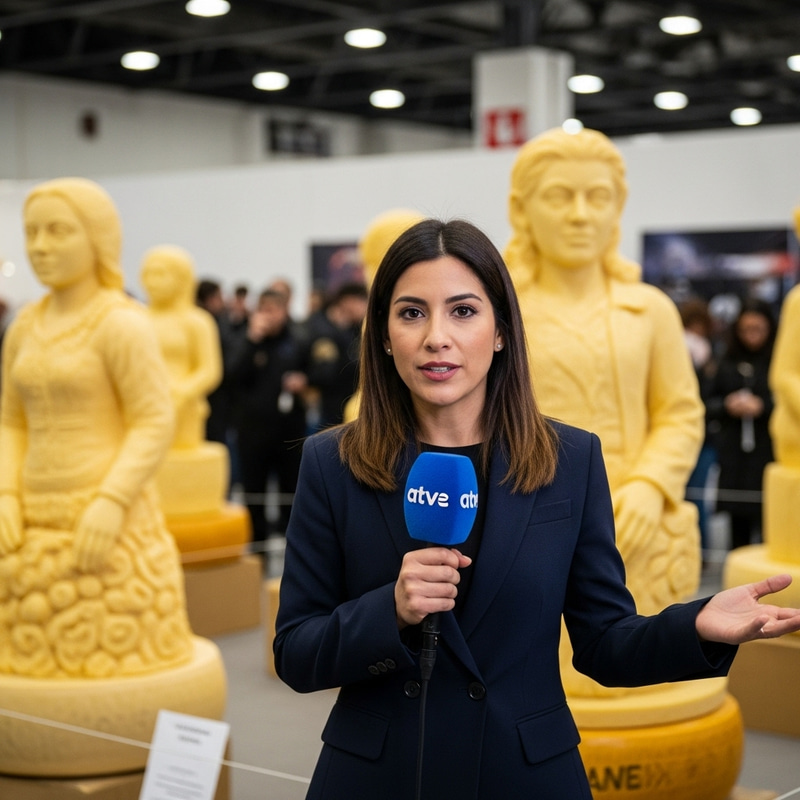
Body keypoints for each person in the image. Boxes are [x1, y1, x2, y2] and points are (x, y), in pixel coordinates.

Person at [274, 218, 800, 800]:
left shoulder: (569, 459)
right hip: (380, 775)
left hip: (522, 772)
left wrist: (695, 624)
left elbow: (604, 644)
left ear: (501, 330)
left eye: (464, 311)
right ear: (382, 335)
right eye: (412, 312)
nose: (436, 337)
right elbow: (297, 652)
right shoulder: (333, 462)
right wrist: (390, 611)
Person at [504, 128, 704, 621]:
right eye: (558, 196)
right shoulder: (500, 313)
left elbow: (679, 414)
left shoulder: (650, 310)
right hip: (521, 517)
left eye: (597, 197)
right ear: (520, 208)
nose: (579, 214)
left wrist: (650, 485)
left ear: (618, 205)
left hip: (632, 520)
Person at [0, 177, 193, 677]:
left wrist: (111, 500)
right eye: (32, 232)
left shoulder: (121, 323)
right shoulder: (23, 325)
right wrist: (5, 492)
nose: (41, 246)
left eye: (59, 231)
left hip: (107, 516)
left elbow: (153, 419)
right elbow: (10, 420)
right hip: (28, 515)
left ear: (97, 239)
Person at [229, 287, 309, 548]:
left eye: (273, 310)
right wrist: (252, 339)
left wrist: (304, 381)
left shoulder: (298, 339)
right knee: (254, 494)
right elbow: (232, 376)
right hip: (253, 434)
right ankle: (257, 555)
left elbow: (319, 372)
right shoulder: (245, 339)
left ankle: (294, 551)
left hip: (289, 432)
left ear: (284, 311)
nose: (268, 316)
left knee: (292, 494)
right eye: (263, 310)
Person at [706, 298, 776, 549]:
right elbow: (705, 403)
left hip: (768, 457)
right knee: (738, 533)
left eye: (758, 329)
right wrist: (727, 405)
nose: (752, 336)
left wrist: (765, 406)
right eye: (746, 330)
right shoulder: (726, 361)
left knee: (772, 531)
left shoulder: (777, 362)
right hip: (735, 460)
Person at [140, 245, 222, 449]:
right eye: (148, 274)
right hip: (142, 408)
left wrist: (182, 391)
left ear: (181, 279)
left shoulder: (197, 321)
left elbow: (210, 370)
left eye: (160, 274)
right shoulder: (137, 319)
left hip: (185, 411)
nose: (152, 281)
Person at [305, 281, 368, 429]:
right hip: (334, 406)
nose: (365, 309)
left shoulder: (356, 328)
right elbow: (331, 370)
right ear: (348, 302)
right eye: (361, 302)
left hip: (352, 403)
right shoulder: (324, 328)